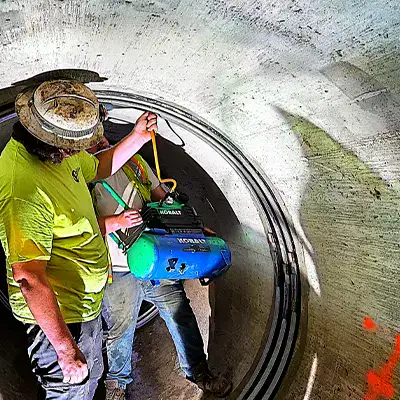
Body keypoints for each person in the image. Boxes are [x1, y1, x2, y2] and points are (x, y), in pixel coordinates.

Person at [0, 79, 157, 399]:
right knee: (71, 391)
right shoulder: (25, 188)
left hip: (84, 308)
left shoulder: (57, 151)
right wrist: (65, 351)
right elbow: (29, 277)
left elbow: (98, 166)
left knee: (91, 379)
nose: (89, 146)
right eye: (79, 145)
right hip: (61, 321)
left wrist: (137, 138)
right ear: (57, 145)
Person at [89, 136, 232, 400]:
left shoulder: (135, 164)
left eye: (102, 139)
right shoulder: (82, 179)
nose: (101, 144)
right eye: (94, 142)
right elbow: (79, 229)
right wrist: (116, 222)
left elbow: (165, 202)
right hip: (117, 269)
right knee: (121, 328)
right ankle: (117, 386)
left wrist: (195, 229)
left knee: (180, 314)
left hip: (157, 259)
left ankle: (199, 373)